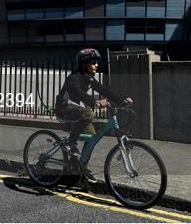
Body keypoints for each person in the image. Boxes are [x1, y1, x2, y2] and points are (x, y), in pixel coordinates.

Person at [56, 48, 133, 183]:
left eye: (97, 62)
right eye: (93, 62)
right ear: (84, 64)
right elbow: (79, 93)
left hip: (76, 111)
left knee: (91, 139)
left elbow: (105, 90)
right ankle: (70, 142)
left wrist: (121, 101)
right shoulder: (73, 77)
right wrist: (95, 102)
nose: (96, 65)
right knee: (89, 112)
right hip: (64, 108)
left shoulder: (89, 79)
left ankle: (79, 167)